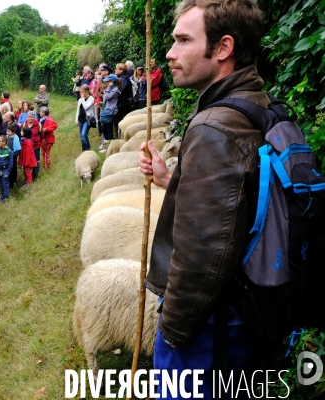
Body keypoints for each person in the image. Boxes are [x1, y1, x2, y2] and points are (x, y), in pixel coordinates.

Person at [138, 0, 267, 397]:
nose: (169, 53)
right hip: (243, 315)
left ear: (223, 48)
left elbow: (203, 258)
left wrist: (171, 333)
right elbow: (232, 205)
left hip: (208, 331)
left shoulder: (215, 128)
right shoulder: (255, 104)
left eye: (182, 40)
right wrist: (170, 180)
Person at [100, 74, 121, 147]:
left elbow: (106, 97)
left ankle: (109, 146)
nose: (107, 83)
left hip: (111, 112)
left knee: (109, 129)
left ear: (112, 81)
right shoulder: (112, 89)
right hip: (107, 110)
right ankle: (107, 144)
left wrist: (108, 88)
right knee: (103, 129)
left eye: (108, 81)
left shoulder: (115, 90)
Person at [75, 84, 95, 151]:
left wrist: (83, 99)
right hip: (81, 119)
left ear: (86, 91)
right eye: (80, 92)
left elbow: (86, 107)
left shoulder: (91, 99)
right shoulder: (80, 100)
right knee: (81, 137)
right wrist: (76, 120)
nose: (81, 94)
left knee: (84, 135)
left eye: (82, 92)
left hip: (87, 119)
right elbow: (78, 110)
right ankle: (84, 150)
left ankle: (88, 149)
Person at [0, 134, 13, 203]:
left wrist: (8, 171)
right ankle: (2, 195)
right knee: (1, 183)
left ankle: (6, 196)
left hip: (5, 170)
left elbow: (11, 162)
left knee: (5, 183)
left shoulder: (9, 151)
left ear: (4, 142)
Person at [22, 111, 41, 180]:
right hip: (26, 147)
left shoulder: (38, 124)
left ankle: (34, 176)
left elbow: (41, 135)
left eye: (31, 117)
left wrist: (37, 141)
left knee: (36, 161)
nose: (29, 118)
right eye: (28, 117)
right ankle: (27, 177)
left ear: (34, 117)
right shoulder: (24, 124)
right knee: (26, 162)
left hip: (36, 146)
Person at [6, 123, 21, 189]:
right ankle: (8, 181)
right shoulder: (6, 137)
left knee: (12, 169)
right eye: (7, 131)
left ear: (13, 132)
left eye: (9, 131)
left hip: (12, 156)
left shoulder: (15, 138)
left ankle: (12, 182)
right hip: (6, 156)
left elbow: (18, 150)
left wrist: (12, 156)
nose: (7, 132)